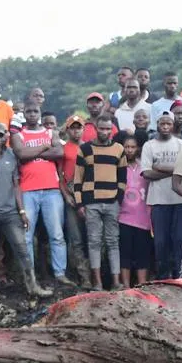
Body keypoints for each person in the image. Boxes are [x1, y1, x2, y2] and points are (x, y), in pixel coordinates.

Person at [0, 122, 51, 301]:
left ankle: (33, 286)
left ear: (6, 137)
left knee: (22, 248)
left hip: (10, 212)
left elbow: (16, 185)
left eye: (2, 135)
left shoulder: (12, 156)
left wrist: (22, 210)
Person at [11, 102, 69, 284]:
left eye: (35, 111)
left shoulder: (51, 133)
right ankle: (30, 276)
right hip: (27, 190)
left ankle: (60, 274)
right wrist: (45, 149)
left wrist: (33, 153)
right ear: (24, 114)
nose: (32, 114)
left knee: (57, 235)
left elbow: (59, 152)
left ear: (40, 113)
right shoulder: (17, 135)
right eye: (28, 111)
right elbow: (21, 154)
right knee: (27, 237)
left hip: (52, 190)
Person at [74, 115, 126, 290]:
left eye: (107, 129)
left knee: (113, 241)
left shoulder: (119, 149)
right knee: (94, 242)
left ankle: (116, 282)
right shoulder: (85, 149)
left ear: (112, 130)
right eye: (101, 128)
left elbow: (122, 178)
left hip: (112, 201)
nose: (104, 132)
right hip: (91, 203)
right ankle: (97, 283)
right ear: (95, 128)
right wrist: (80, 203)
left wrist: (118, 198)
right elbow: (77, 179)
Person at [141, 113, 182, 279]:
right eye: (163, 123)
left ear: (173, 124)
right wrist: (175, 170)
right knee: (160, 243)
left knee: (180, 241)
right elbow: (146, 173)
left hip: (180, 200)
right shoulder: (149, 146)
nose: (166, 126)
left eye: (169, 123)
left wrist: (160, 167)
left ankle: (179, 278)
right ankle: (163, 278)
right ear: (158, 124)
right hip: (158, 201)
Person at [59, 115, 90, 286]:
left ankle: (97, 274)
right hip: (70, 193)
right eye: (73, 127)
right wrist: (66, 195)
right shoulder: (64, 149)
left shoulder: (89, 147)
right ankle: (83, 275)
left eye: (79, 127)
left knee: (92, 237)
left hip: (88, 193)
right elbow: (60, 175)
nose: (76, 130)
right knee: (76, 238)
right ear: (68, 129)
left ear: (83, 129)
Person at [117, 133, 152, 287]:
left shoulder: (144, 168)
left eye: (132, 147)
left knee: (142, 252)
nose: (129, 150)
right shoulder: (118, 167)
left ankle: (142, 285)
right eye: (126, 147)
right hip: (122, 216)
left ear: (137, 149)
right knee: (125, 252)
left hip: (143, 217)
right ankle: (125, 286)